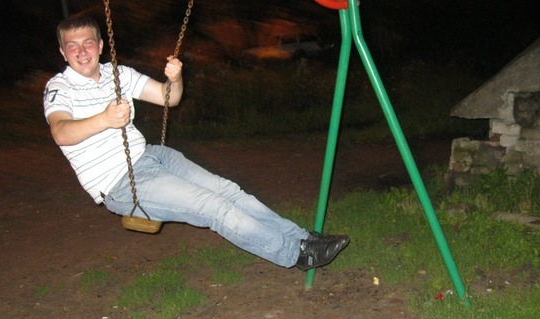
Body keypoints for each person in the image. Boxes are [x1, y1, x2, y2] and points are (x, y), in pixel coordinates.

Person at [43, 14, 349, 271]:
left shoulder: (118, 74)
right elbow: (61, 132)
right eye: (72, 46)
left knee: (228, 191)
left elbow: (169, 98)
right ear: (63, 52)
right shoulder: (60, 88)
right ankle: (296, 254)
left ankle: (302, 238)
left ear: (100, 46)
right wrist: (105, 119)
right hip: (121, 183)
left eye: (87, 43)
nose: (81, 52)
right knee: (213, 207)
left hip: (154, 156)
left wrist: (175, 78)